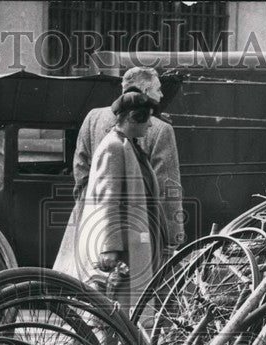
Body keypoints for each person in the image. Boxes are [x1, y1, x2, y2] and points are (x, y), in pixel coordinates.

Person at [55, 66, 183, 278]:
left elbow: (80, 171)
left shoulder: (93, 117)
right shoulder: (161, 129)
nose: (161, 94)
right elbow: (167, 188)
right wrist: (172, 237)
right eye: (158, 89)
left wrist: (90, 212)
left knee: (85, 286)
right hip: (135, 230)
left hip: (92, 224)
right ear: (144, 92)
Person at [68, 91, 163, 312]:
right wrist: (109, 247)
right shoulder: (114, 147)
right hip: (121, 249)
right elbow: (105, 199)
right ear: (132, 117)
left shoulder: (128, 145)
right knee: (113, 313)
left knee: (125, 311)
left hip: (132, 241)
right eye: (147, 118)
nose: (150, 125)